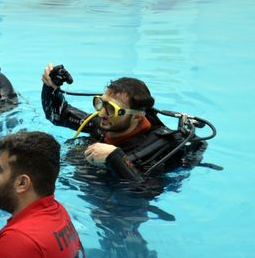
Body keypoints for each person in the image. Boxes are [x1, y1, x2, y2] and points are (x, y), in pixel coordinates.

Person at [41, 62, 209, 182]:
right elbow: (59, 115)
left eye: (111, 108)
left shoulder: (158, 147)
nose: (101, 112)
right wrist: (50, 87)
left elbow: (145, 191)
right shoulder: (106, 123)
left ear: (137, 117)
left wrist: (114, 158)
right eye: (100, 102)